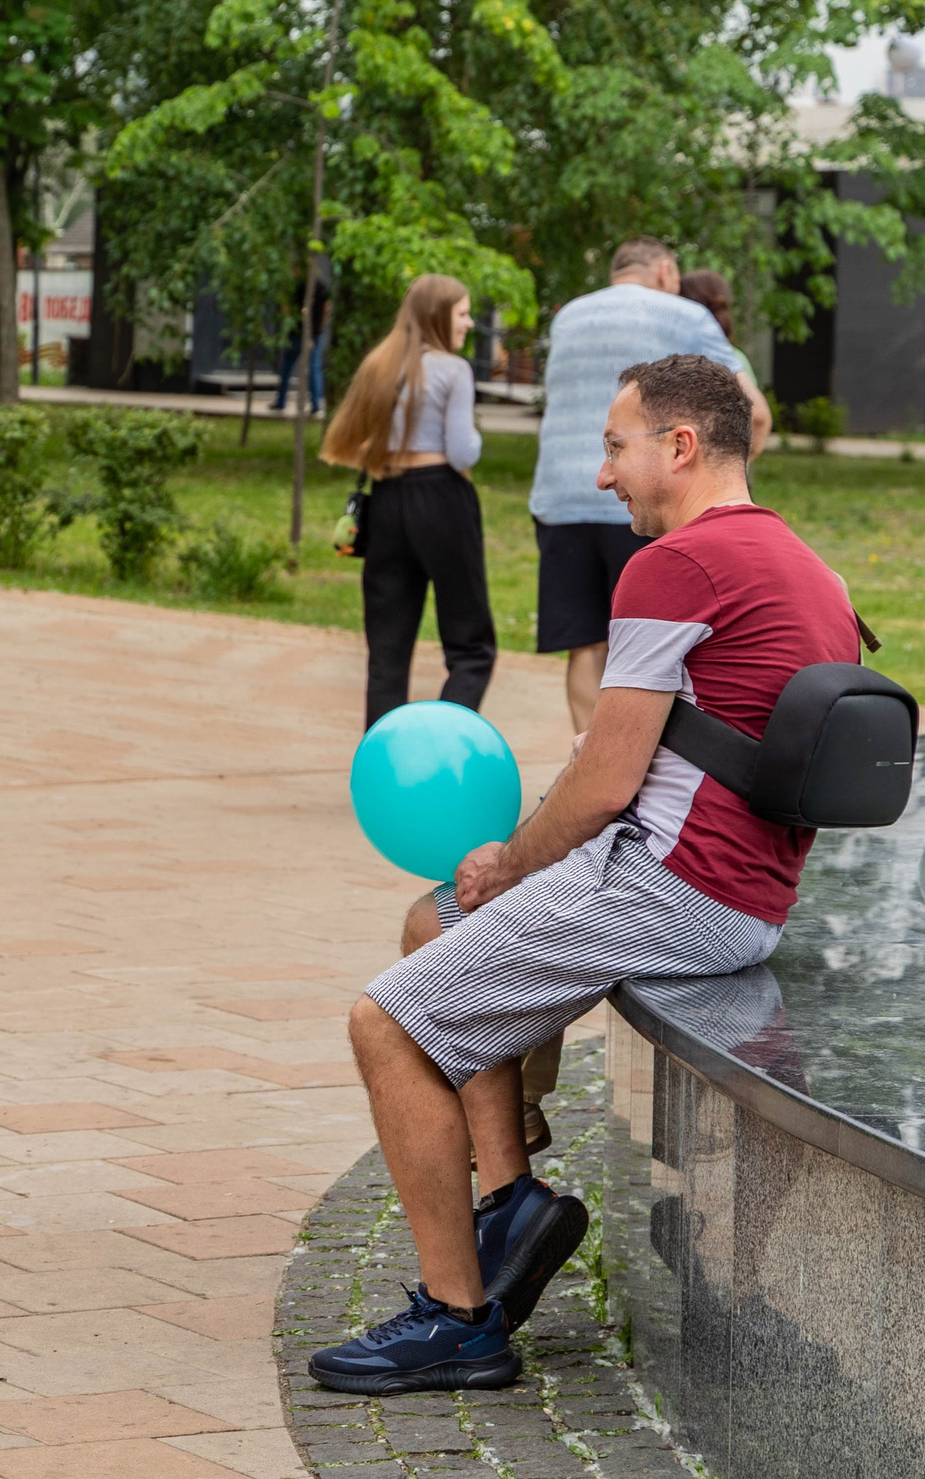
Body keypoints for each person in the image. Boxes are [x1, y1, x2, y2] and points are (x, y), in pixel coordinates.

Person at [308, 355, 859, 1394]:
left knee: (385, 1022)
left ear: (679, 447)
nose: (603, 475)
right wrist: (505, 872)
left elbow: (605, 781)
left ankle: (459, 1319)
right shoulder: (801, 562)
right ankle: (512, 1196)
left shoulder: (674, 565)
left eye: (615, 447)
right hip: (740, 893)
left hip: (670, 884)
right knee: (432, 926)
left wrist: (508, 863)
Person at [529, 239, 770, 735]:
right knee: (652, 645)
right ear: (664, 271)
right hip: (646, 497)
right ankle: (634, 778)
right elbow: (756, 411)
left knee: (587, 645)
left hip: (560, 499)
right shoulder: (686, 315)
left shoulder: (567, 317)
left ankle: (585, 762)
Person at [321, 274, 494, 729]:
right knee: (471, 647)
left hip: (388, 499)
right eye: (462, 313)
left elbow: (356, 441)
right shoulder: (453, 370)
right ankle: (439, 751)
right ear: (438, 316)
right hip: (441, 499)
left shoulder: (379, 364)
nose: (470, 322)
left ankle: (381, 775)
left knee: (387, 650)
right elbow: (462, 452)